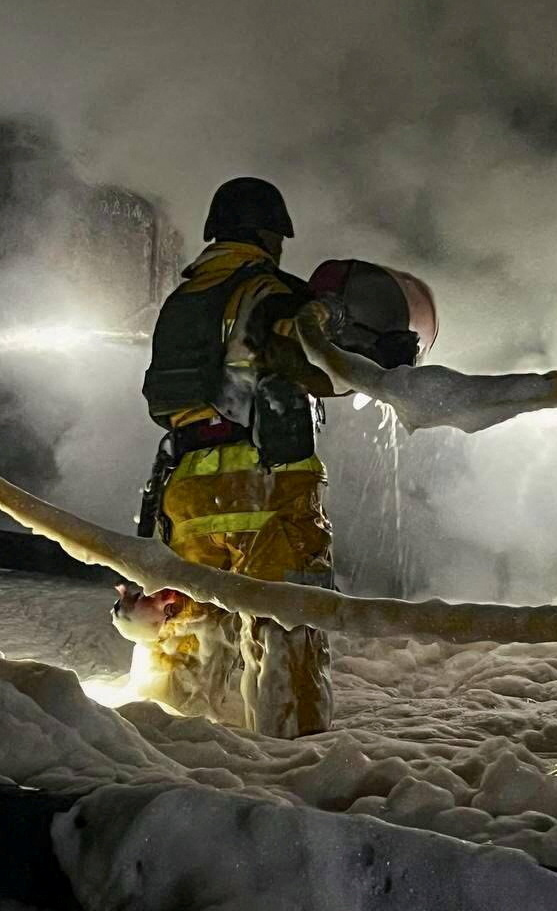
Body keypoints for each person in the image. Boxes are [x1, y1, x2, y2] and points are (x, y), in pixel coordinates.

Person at [134, 176, 345, 738]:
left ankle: (169, 755)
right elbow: (326, 371)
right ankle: (293, 771)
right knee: (287, 627)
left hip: (188, 485)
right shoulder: (271, 291)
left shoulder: (185, 299)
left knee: (185, 631)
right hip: (268, 481)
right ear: (268, 234)